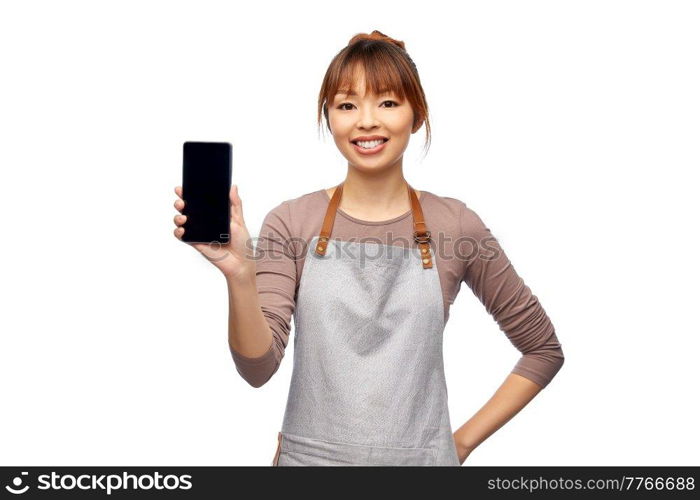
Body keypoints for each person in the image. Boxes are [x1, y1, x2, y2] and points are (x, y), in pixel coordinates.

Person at [173, 30, 564, 466]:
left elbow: (543, 350)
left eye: (388, 103)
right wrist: (240, 274)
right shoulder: (291, 221)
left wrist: (459, 444)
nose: (366, 121)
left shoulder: (456, 225)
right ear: (329, 117)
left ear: (417, 115)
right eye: (346, 105)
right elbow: (257, 370)